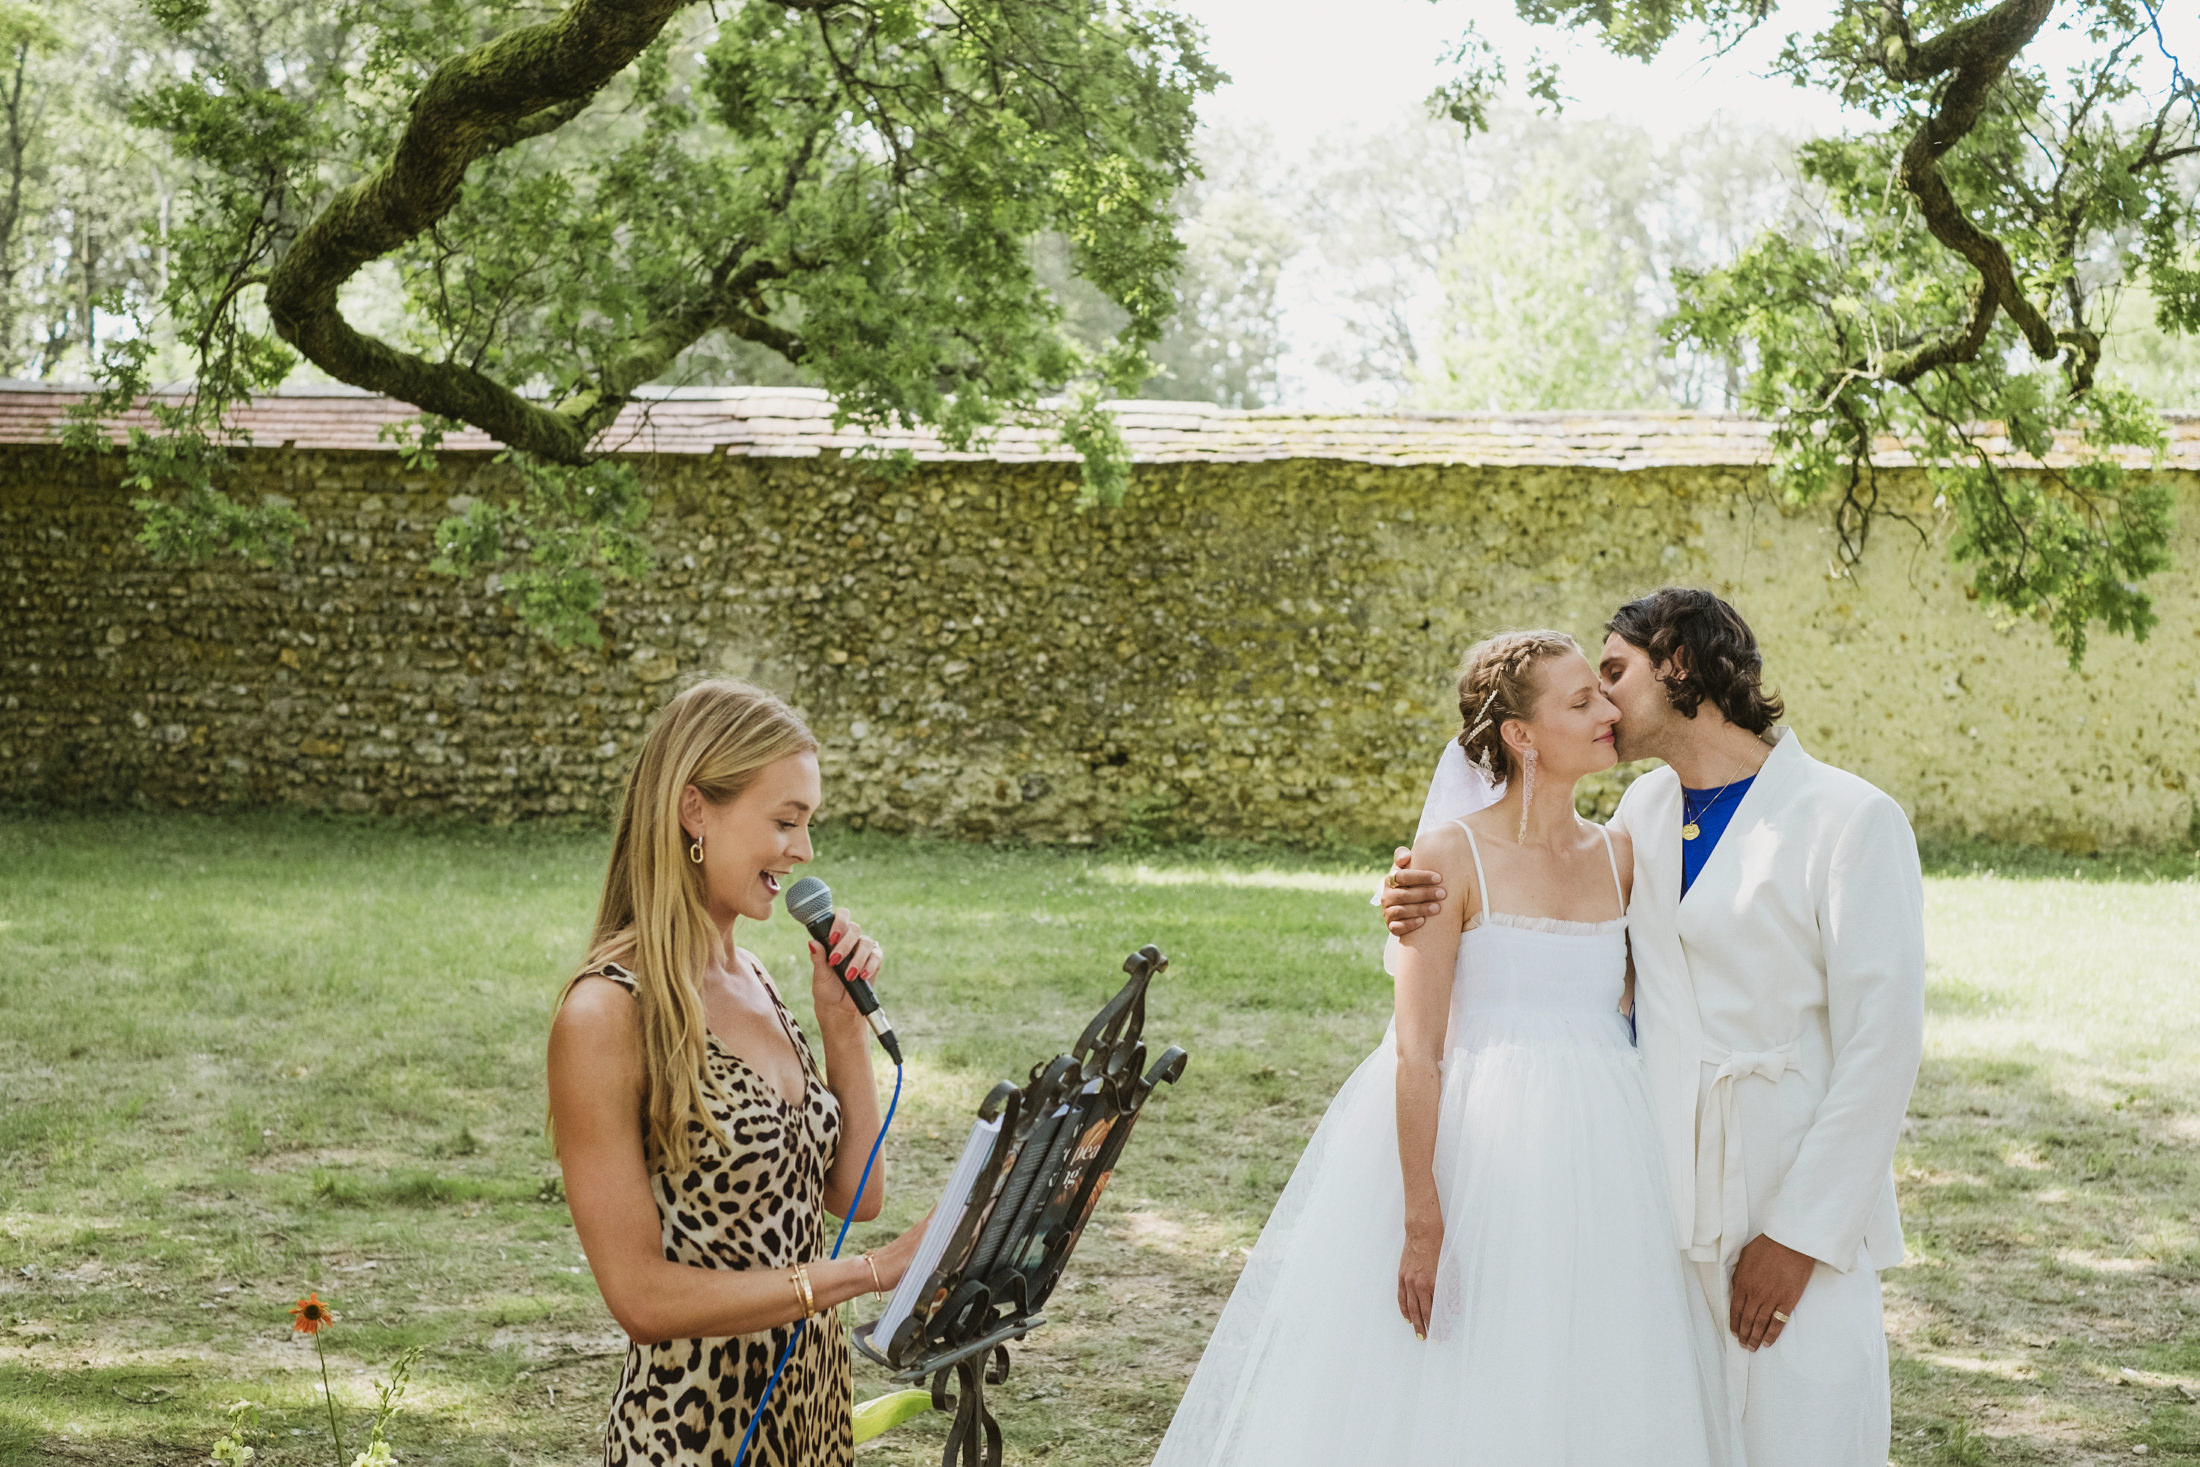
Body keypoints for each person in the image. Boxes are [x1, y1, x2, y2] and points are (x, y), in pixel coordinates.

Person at [1152, 631, 1730, 1467]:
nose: (1608, 710)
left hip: (1605, 1153)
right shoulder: (1447, 858)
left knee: (1586, 1362)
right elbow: (1416, 1050)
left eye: (1601, 694)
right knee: (1466, 1367)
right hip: (1477, 1143)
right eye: (1580, 701)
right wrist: (1423, 1218)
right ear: (1520, 736)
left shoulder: (1624, 855)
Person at [1382, 589, 1925, 1467]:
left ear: (1679, 665)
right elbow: (1528, 909)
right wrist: (1409, 893)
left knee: (1809, 1433)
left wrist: (1798, 1234)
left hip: (1792, 1192)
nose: (1602, 700)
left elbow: (1885, 1044)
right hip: (1654, 1201)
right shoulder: (1638, 819)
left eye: (1614, 673)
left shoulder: (1850, 818)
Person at [547, 678, 930, 1466]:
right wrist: (866, 1273)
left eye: (809, 822)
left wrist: (839, 1023)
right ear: (695, 811)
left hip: (813, 1416)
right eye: (785, 821)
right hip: (696, 1433)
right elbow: (640, 1297)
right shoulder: (606, 1013)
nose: (804, 850)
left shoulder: (754, 975)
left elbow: (850, 1189)